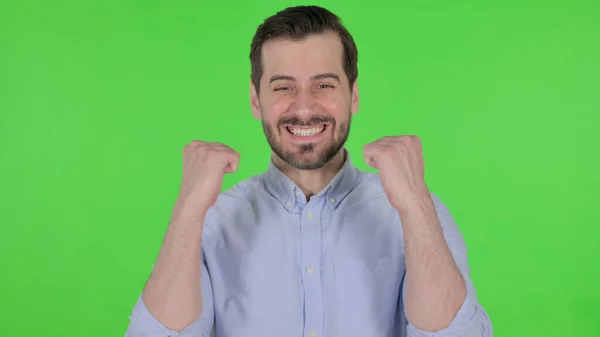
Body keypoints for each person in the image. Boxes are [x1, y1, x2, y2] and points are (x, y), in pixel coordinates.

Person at [125, 5, 493, 337]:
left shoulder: (422, 212)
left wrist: (414, 205)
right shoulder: (211, 221)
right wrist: (188, 210)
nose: (304, 108)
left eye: (324, 85)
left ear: (354, 95)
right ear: (256, 100)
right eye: (284, 86)